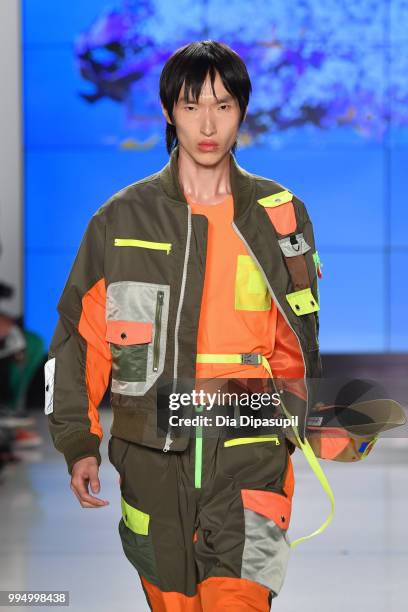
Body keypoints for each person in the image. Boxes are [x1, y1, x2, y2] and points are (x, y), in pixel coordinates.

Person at [46, 40, 328, 611]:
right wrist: (77, 440)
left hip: (251, 445)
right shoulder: (121, 219)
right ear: (170, 111)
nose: (207, 123)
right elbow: (80, 339)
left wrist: (294, 422)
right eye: (192, 104)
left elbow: (296, 334)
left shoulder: (281, 214)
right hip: (151, 456)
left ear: (241, 112)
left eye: (223, 105)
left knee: (240, 598)